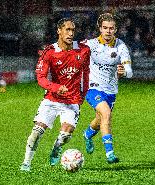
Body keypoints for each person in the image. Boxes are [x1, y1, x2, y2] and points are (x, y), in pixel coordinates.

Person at [20, 18, 90, 172]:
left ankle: (57, 147)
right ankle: (26, 163)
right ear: (59, 30)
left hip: (72, 101)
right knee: (36, 134)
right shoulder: (50, 52)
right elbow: (40, 78)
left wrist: (82, 96)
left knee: (65, 135)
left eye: (73, 30)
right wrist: (56, 87)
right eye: (67, 30)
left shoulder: (84, 50)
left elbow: (86, 75)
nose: (71, 33)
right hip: (51, 99)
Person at [82, 13, 133, 164]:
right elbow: (70, 48)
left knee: (100, 119)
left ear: (115, 29)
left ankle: (87, 134)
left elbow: (129, 72)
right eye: (105, 28)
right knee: (106, 113)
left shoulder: (121, 46)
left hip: (110, 91)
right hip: (92, 87)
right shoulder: (90, 44)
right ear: (100, 28)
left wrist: (124, 72)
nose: (108, 31)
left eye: (111, 28)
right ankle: (109, 153)